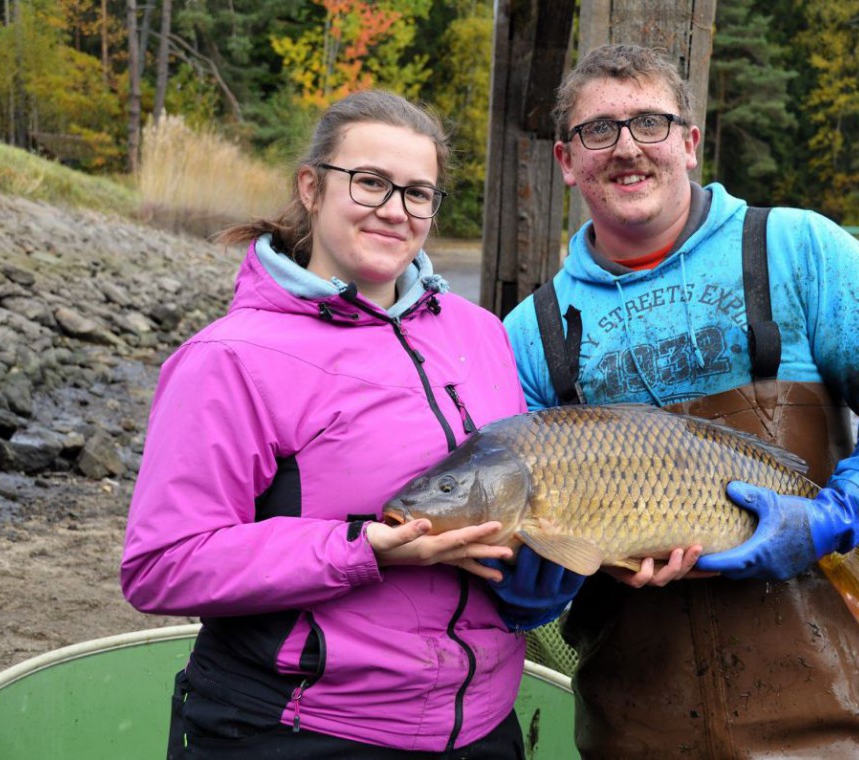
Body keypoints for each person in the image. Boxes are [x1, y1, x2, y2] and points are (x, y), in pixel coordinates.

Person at [501, 44, 859, 758]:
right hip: (631, 729)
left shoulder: (799, 248)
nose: (627, 148)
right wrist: (567, 555)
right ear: (567, 160)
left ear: (689, 144)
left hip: (818, 717)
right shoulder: (530, 333)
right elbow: (528, 590)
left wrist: (836, 518)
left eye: (650, 123)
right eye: (600, 131)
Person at [121, 89, 579, 758]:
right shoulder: (229, 358)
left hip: (482, 730)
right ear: (311, 186)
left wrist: (539, 577)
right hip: (296, 731)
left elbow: (505, 491)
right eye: (370, 183)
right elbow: (161, 565)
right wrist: (361, 551)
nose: (395, 211)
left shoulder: (480, 335)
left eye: (418, 193)